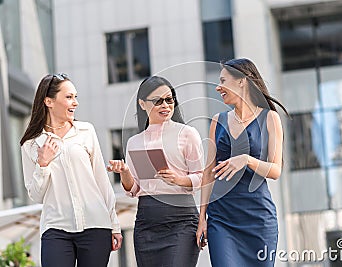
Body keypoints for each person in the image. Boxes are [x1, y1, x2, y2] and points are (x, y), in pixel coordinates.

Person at [20, 73, 122, 267]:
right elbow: (35, 194)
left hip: (95, 225)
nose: (75, 103)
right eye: (68, 97)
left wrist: (114, 224)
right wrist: (43, 164)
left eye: (75, 97)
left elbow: (102, 180)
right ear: (49, 101)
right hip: (56, 229)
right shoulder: (31, 144)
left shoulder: (86, 131)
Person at [196, 58, 290, 266]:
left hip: (257, 219)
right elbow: (208, 173)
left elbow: (275, 170)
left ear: (242, 81)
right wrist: (202, 218)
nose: (218, 87)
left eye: (223, 80)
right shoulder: (217, 121)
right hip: (221, 219)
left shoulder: (269, 118)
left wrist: (247, 160)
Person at [107, 76, 203, 267]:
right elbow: (133, 188)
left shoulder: (187, 133)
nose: (165, 105)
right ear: (142, 104)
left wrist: (179, 179)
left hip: (182, 219)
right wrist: (124, 171)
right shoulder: (134, 142)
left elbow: (202, 176)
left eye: (169, 99)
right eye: (158, 101)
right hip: (147, 221)